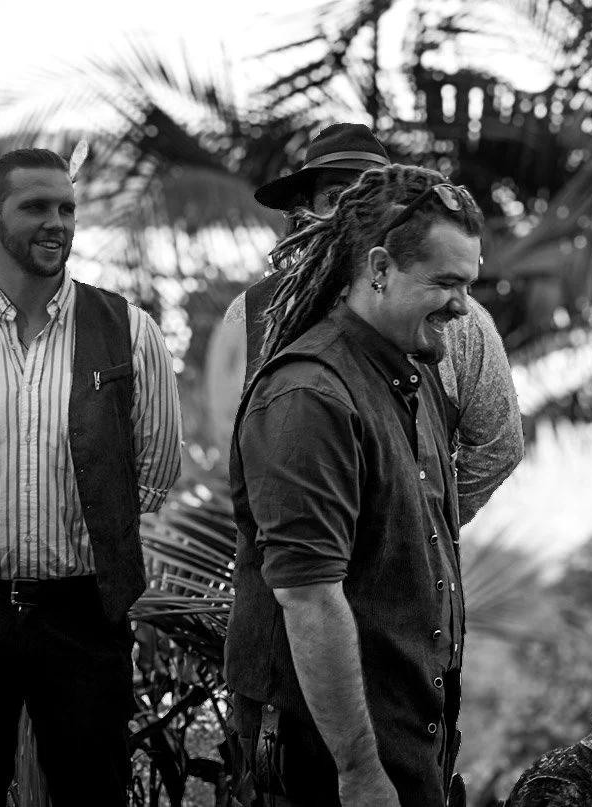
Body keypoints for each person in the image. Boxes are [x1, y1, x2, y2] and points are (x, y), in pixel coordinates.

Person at [224, 165, 485, 806]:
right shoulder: (310, 394)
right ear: (378, 268)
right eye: (446, 283)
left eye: (468, 284)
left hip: (403, 731)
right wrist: (361, 773)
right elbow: (310, 601)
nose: (462, 305)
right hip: (325, 760)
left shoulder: (413, 373)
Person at [0, 148, 183, 804]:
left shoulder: (128, 330)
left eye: (67, 208)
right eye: (36, 207)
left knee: (92, 792)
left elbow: (155, 470)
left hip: (83, 617)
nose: (57, 222)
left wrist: (96, 514)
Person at [213, 122, 521, 523]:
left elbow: (499, 445)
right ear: (302, 211)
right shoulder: (251, 312)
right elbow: (232, 446)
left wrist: (421, 528)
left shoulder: (457, 318)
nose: (350, 212)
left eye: (365, 196)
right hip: (291, 570)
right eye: (336, 196)